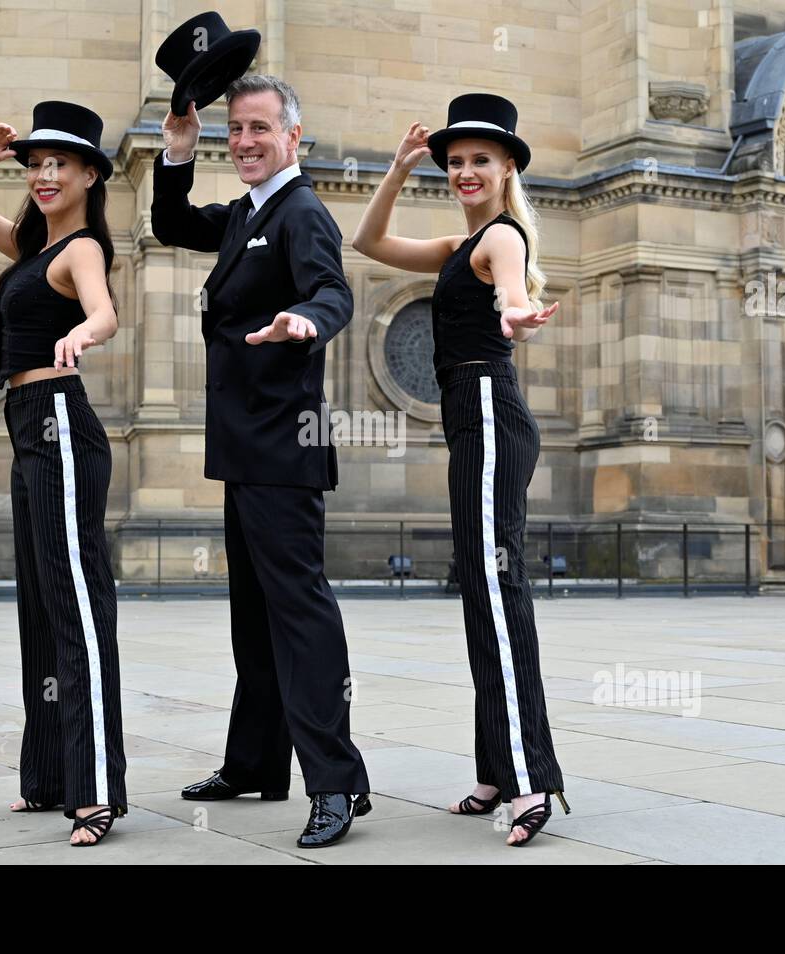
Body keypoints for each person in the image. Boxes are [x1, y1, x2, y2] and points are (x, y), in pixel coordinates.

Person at [151, 74, 371, 849]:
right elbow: (173, 222)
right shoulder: (250, 210)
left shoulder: (302, 210)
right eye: (235, 129)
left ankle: (338, 784)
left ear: (292, 140)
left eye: (259, 129)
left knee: (301, 616)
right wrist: (177, 151)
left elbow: (334, 291)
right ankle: (254, 763)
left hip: (285, 445)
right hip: (247, 446)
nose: (244, 141)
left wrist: (306, 321)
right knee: (255, 616)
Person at [352, 93, 568, 846]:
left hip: (485, 405)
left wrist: (514, 312)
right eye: (455, 161)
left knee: (499, 591)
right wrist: (398, 167)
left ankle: (531, 777)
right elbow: (369, 240)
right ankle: (497, 768)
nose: (466, 171)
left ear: (509, 165)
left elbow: (511, 288)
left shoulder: (500, 239)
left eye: (481, 158)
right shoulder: (457, 245)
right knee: (480, 588)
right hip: (470, 413)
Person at [0, 101, 127, 846]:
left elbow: (106, 313)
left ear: (89, 174)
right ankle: (50, 776)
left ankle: (96, 792)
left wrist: (82, 332)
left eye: (61, 164)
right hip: (24, 422)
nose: (46, 175)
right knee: (39, 605)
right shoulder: (27, 246)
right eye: (36, 164)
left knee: (78, 605)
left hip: (59, 418)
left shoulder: (79, 247)